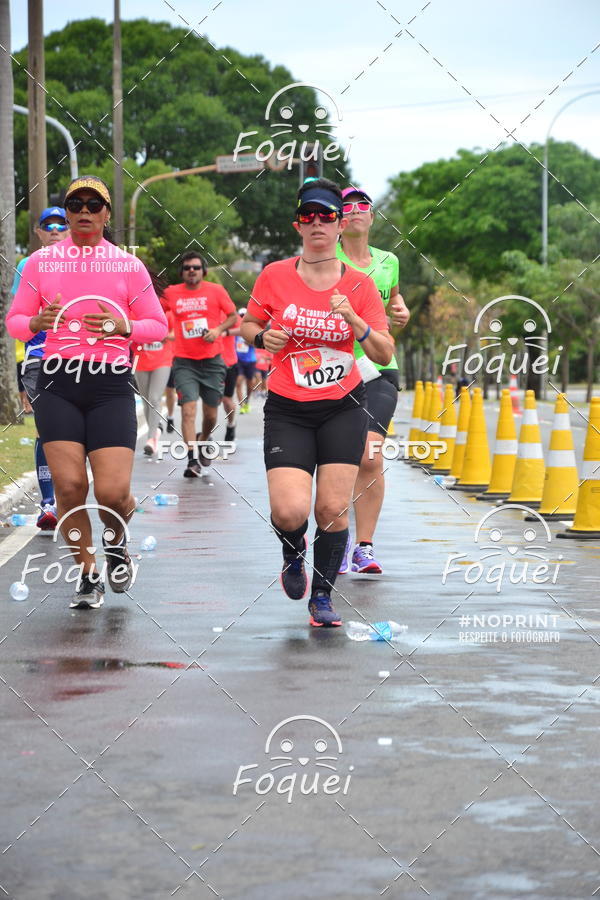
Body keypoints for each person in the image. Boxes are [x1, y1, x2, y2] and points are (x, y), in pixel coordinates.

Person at [6, 175, 167, 609]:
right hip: (57, 381)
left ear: (106, 215)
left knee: (112, 494)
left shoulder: (127, 266)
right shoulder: (41, 263)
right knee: (71, 486)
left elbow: (158, 325)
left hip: (109, 383)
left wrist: (124, 326)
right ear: (67, 210)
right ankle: (88, 573)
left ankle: (116, 544)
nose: (83, 211)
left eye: (93, 205)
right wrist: (36, 323)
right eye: (75, 203)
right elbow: (16, 320)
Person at [240, 177, 393, 627]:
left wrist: (354, 322)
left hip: (343, 404)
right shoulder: (274, 276)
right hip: (288, 406)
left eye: (327, 215)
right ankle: (293, 554)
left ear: (340, 224)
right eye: (309, 216)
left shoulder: (361, 286)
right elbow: (248, 325)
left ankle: (322, 598)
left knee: (330, 508)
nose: (319, 223)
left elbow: (383, 352)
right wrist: (262, 336)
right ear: (298, 226)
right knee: (288, 511)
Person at [336, 187, 410, 575]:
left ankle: (364, 546)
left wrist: (402, 311)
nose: (355, 211)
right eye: (346, 206)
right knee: (339, 457)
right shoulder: (324, 260)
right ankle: (338, 535)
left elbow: (394, 304)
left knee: (370, 454)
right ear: (337, 218)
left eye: (362, 205)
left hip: (380, 367)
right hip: (335, 368)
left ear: (372, 216)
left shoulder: (389, 261)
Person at [11, 206, 70, 531]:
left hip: (83, 359)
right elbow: (20, 316)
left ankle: (70, 497)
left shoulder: (87, 261)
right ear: (38, 231)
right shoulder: (27, 265)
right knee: (45, 430)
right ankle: (48, 503)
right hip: (40, 356)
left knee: (77, 434)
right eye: (48, 224)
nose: (55, 229)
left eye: (61, 223)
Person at [161, 252, 237, 477]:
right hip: (184, 362)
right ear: (182, 272)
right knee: (188, 411)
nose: (191, 270)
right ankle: (192, 461)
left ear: (203, 271)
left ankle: (203, 440)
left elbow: (232, 316)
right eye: (186, 268)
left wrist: (218, 330)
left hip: (213, 361)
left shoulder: (216, 291)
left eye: (195, 267)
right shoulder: (171, 293)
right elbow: (154, 310)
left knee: (211, 415)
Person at [133, 308, 175, 456]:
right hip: (141, 360)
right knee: (146, 400)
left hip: (162, 360)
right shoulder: (133, 314)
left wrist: (165, 335)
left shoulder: (167, 314)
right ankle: (155, 428)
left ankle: (151, 439)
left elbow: (175, 334)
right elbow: (128, 334)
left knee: (154, 398)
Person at [219, 307, 241, 444]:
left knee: (227, 400)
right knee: (210, 401)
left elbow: (243, 330)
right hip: (210, 364)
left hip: (229, 364)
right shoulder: (205, 311)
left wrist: (225, 332)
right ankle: (207, 433)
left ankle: (231, 424)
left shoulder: (230, 314)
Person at [235, 307, 256, 413]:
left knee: (250, 383)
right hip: (239, 361)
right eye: (241, 316)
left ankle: (247, 401)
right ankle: (242, 405)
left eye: (244, 316)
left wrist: (250, 342)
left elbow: (257, 343)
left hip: (250, 360)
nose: (242, 318)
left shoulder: (250, 328)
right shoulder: (236, 330)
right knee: (238, 382)